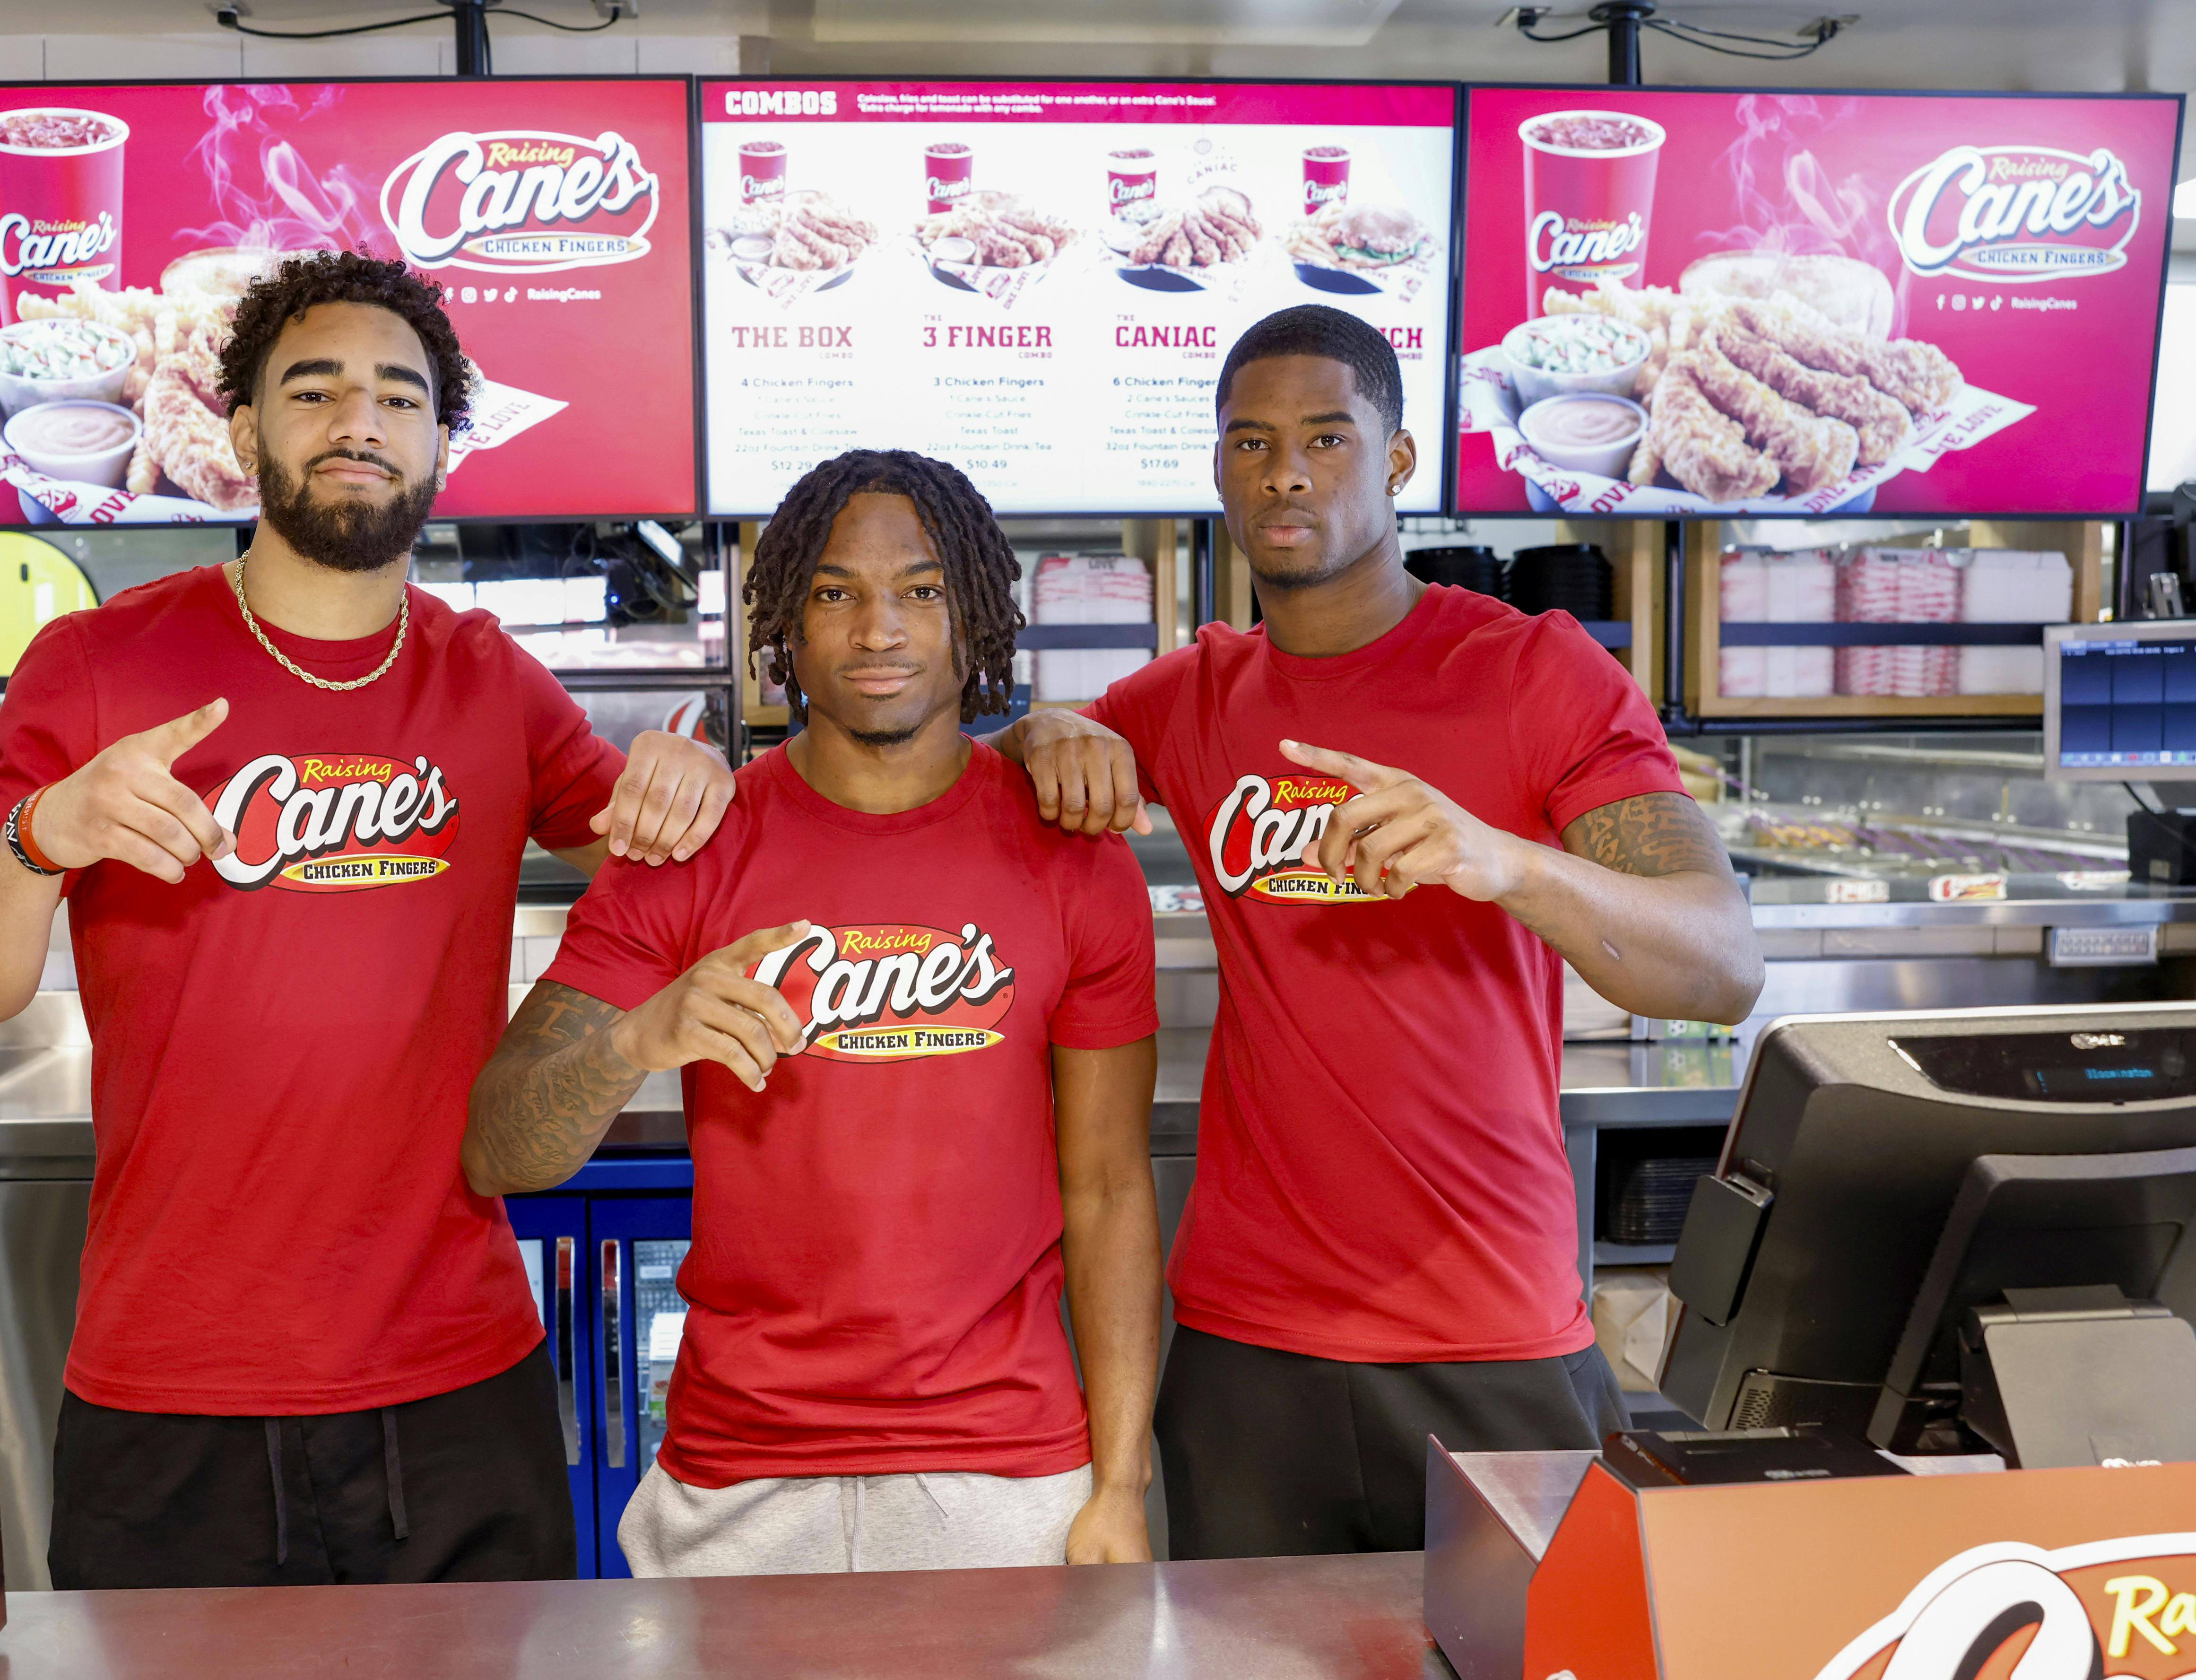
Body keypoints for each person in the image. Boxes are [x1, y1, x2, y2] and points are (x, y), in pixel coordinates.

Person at [0, 251, 736, 1590]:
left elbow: (674, 855)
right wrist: (43, 835)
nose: (359, 420)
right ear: (239, 432)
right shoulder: (102, 662)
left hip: (456, 1379)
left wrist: (697, 778)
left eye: (399, 397)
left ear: (441, 443)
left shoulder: (489, 682)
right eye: (315, 388)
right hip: (174, 1390)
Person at [995, 305, 1764, 1557]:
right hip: (1248, 1348)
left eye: (1322, 438)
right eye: (1247, 444)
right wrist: (1043, 731)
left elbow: (1720, 965)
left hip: (1491, 1331)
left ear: (1396, 461)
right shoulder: (1191, 697)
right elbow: (1014, 770)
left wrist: (1499, 859)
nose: (1282, 472)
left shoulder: (1533, 672)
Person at [460, 450, 1164, 1576]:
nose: (878, 629)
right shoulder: (693, 847)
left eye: (922, 591)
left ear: (976, 614)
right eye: (835, 592)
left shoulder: (1071, 861)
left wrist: (1119, 1483)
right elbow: (501, 1149)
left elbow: (1111, 1186)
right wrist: (643, 1036)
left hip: (1005, 1472)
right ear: (784, 623)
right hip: (739, 1479)